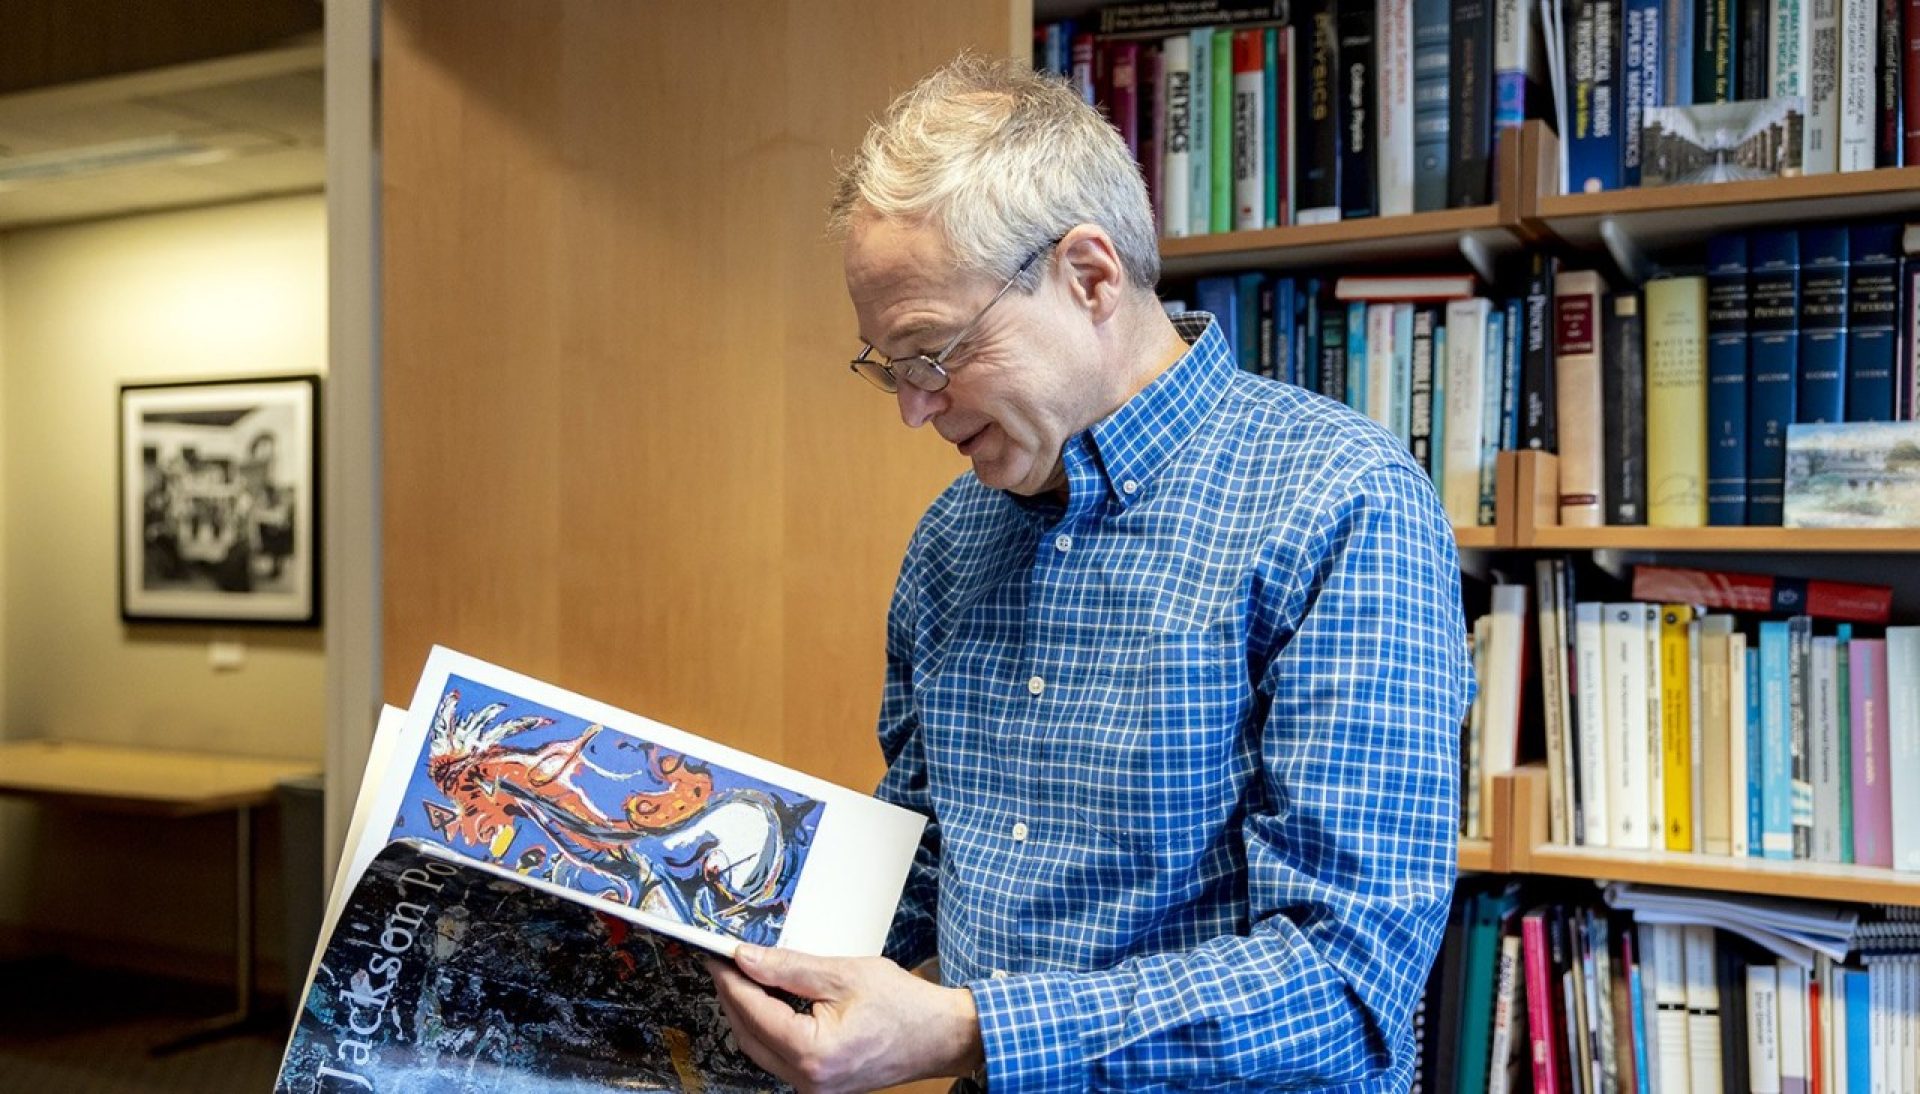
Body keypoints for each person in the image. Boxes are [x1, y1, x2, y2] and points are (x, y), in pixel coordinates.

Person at [707, 54, 1472, 1092]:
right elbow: (928, 865)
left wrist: (975, 1030)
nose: (913, 408)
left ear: (1090, 276)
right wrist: (687, 911)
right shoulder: (949, 539)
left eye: (933, 352)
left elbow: (1344, 984)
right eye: (890, 366)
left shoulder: (1342, 501)